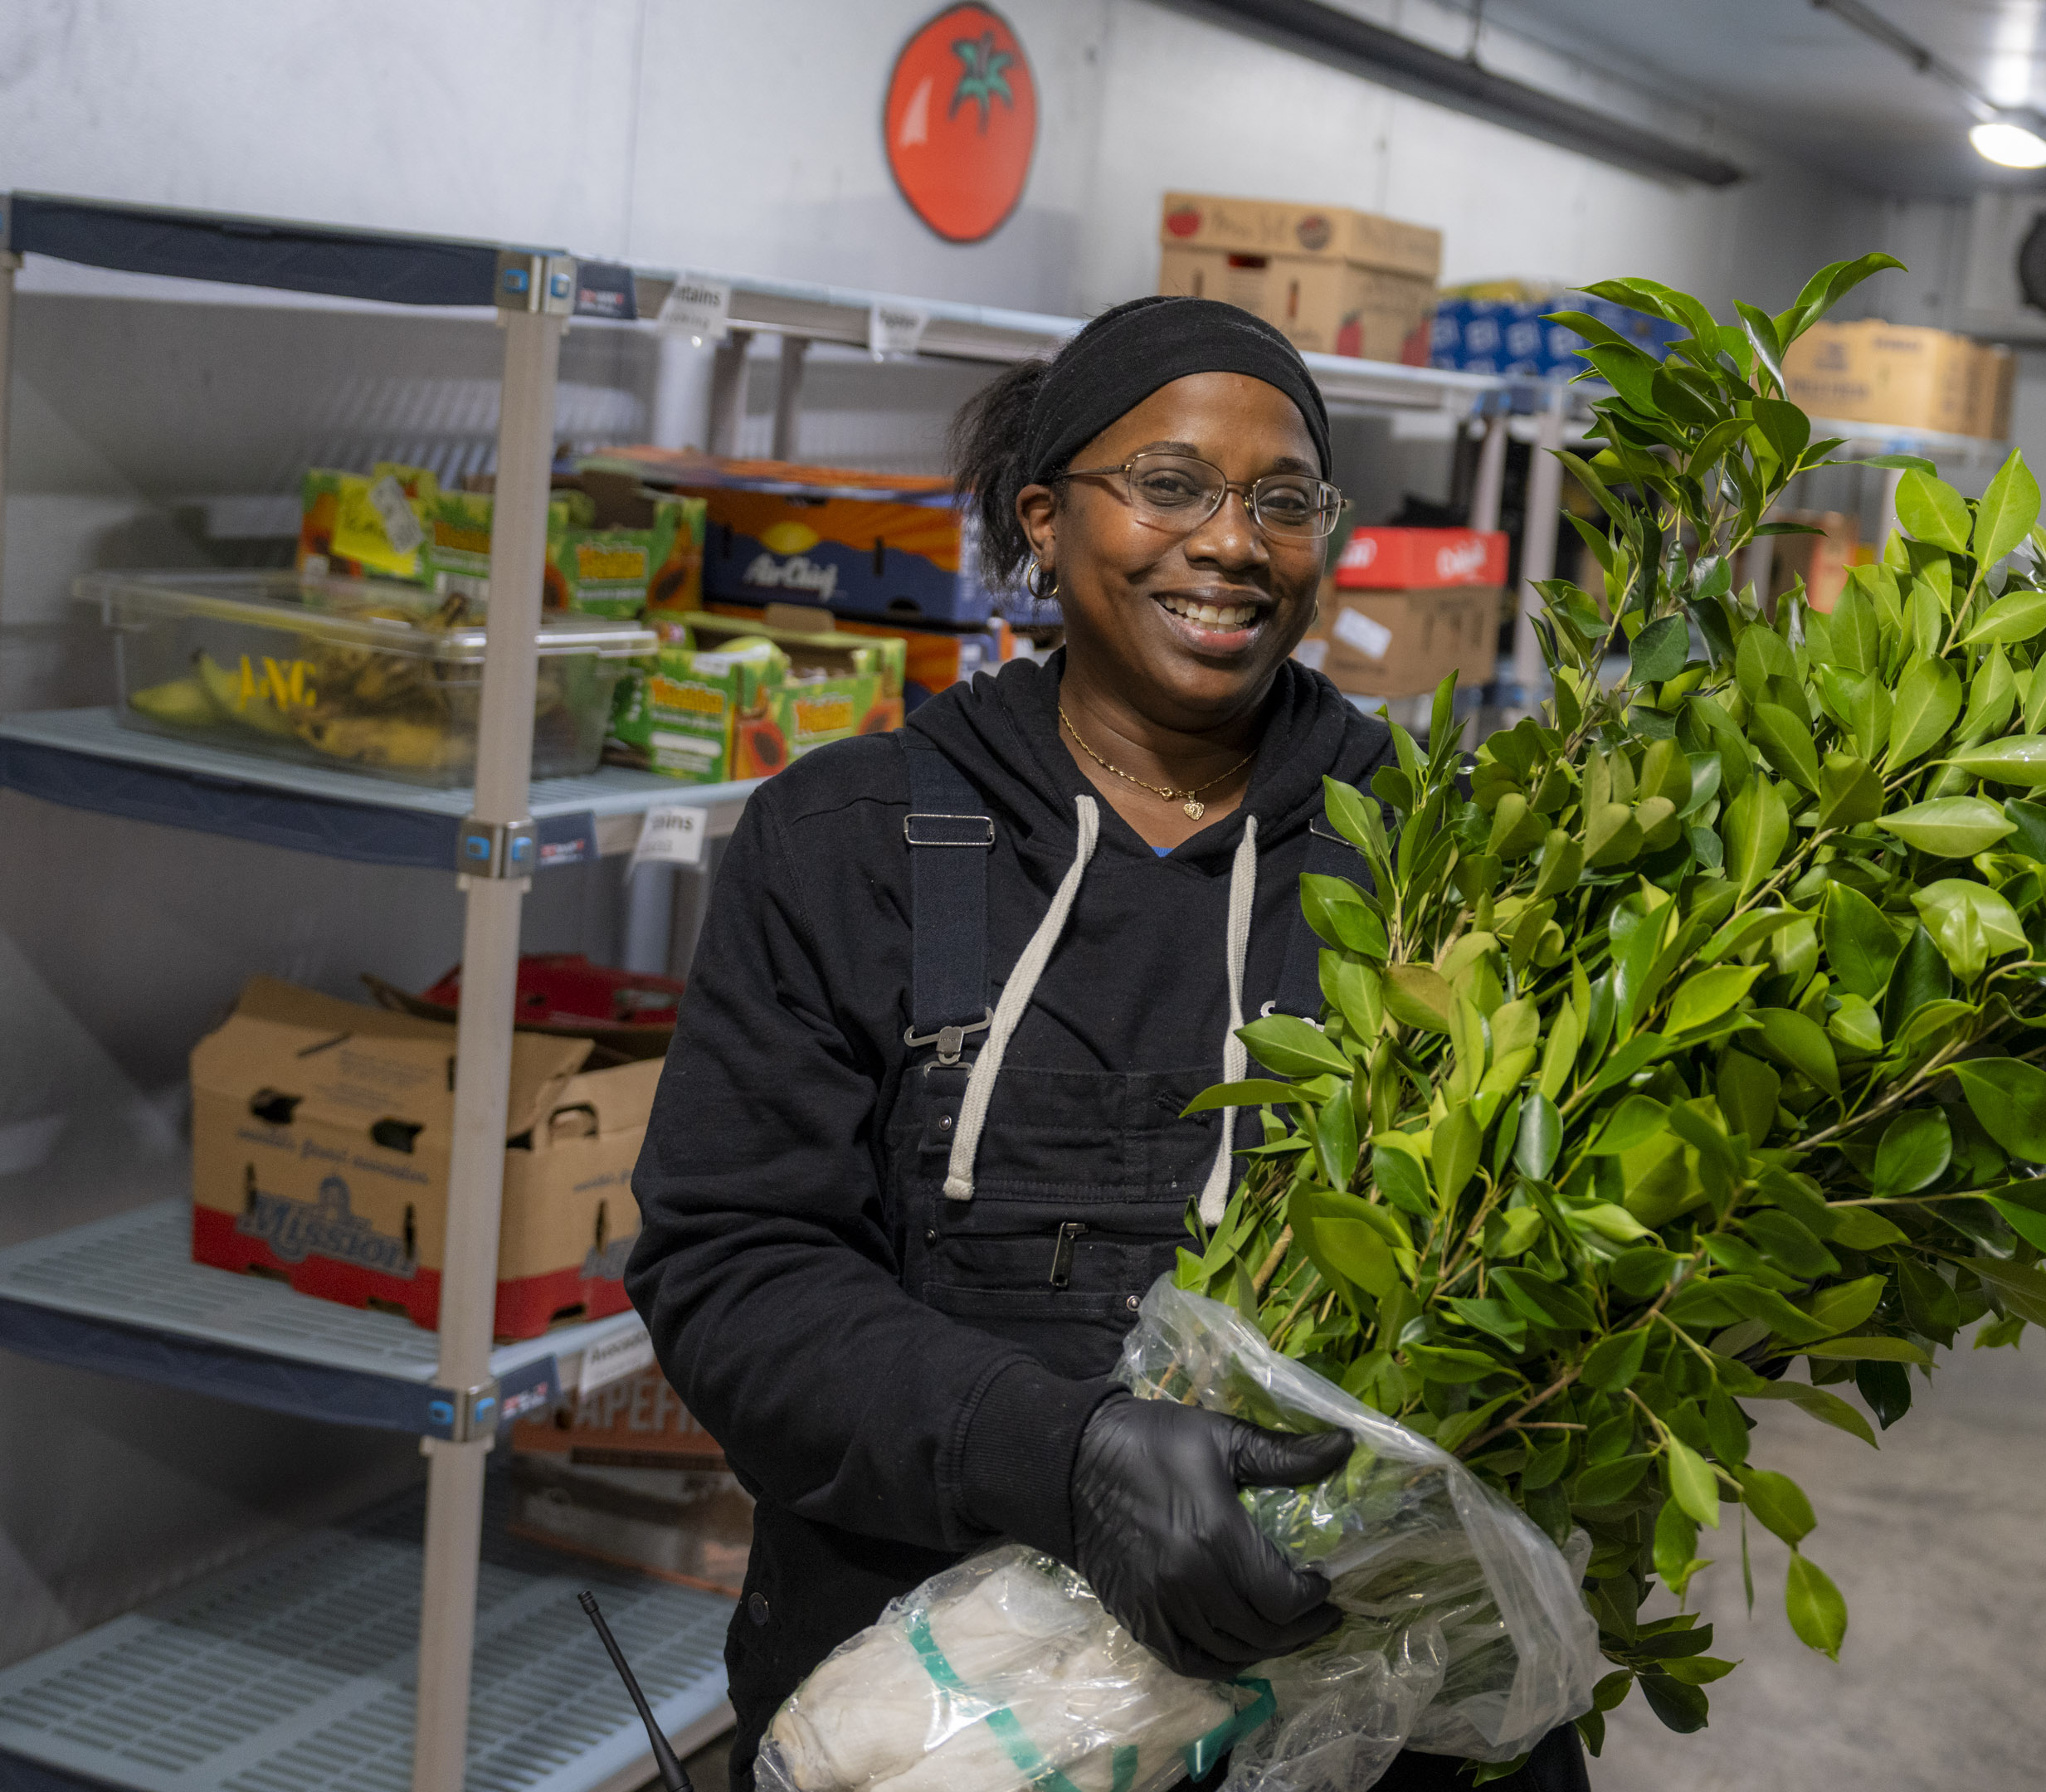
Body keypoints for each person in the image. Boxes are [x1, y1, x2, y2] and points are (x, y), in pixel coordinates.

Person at [628, 296, 1587, 1792]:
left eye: (1284, 500)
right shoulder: (849, 840)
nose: (1231, 542)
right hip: (933, 1712)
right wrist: (1062, 1456)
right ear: (1044, 520)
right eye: (1169, 485)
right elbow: (734, 1270)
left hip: (1352, 1705)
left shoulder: (1442, 856)